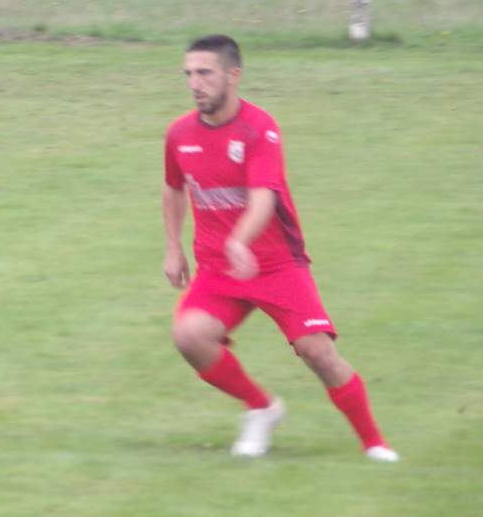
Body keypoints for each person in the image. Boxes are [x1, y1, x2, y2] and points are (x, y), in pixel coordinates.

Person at [162, 34, 397, 462]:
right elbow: (174, 188)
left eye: (205, 73)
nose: (195, 83)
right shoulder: (180, 133)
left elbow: (263, 197)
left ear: (233, 75)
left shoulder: (259, 128)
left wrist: (240, 239)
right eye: (189, 74)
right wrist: (173, 247)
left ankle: (374, 444)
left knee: (318, 352)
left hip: (277, 266)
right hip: (218, 270)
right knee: (188, 336)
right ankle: (261, 409)